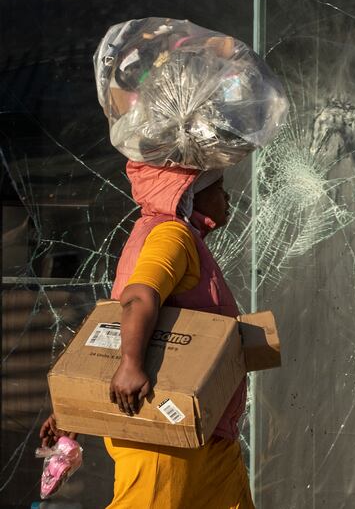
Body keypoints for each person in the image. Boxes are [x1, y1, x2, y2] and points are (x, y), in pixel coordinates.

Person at [40, 161, 254, 508]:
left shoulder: (172, 235)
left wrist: (79, 409)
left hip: (205, 433)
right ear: (190, 195)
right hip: (161, 433)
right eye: (219, 187)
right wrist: (130, 364)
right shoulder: (171, 234)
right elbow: (138, 297)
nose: (227, 196)